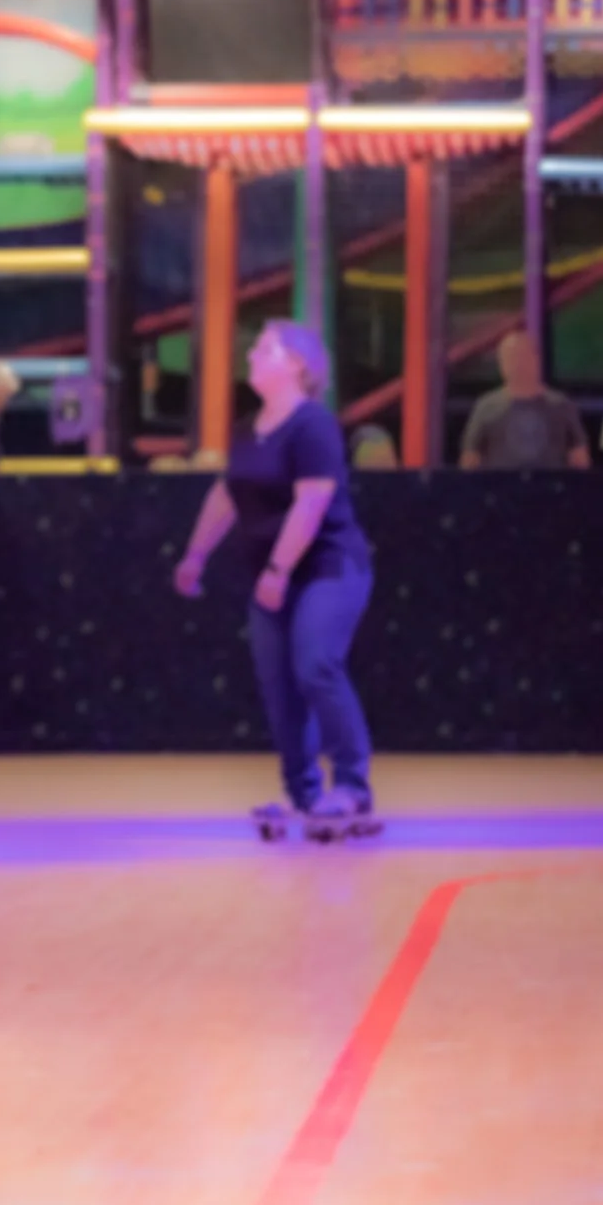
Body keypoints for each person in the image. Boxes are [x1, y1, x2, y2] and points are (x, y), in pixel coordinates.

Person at [173, 320, 378, 841]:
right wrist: (196, 554)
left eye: (264, 348)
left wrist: (279, 570)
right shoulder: (247, 429)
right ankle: (306, 795)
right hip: (272, 575)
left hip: (328, 567)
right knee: (279, 686)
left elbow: (312, 501)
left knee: (315, 664)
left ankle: (352, 786)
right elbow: (226, 496)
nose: (251, 356)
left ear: (297, 365)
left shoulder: (312, 426)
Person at [460, 333, 589, 469]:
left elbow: (579, 459)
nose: (517, 364)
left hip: (549, 487)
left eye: (522, 357)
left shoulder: (561, 405)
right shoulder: (486, 407)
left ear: (536, 360)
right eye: (510, 358)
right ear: (501, 364)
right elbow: (470, 460)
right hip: (501, 488)